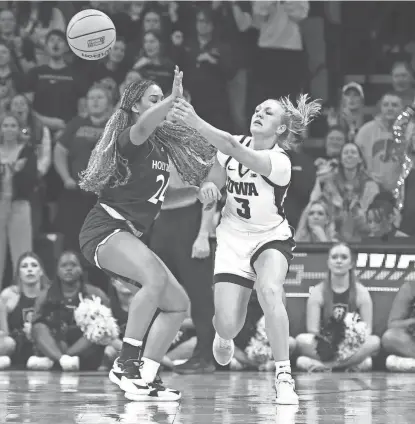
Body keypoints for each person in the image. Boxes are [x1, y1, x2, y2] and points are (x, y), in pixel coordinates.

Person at [171, 93, 321, 405]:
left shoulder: (280, 162)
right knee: (227, 322)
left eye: (268, 112)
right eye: (256, 109)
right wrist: (207, 190)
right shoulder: (229, 150)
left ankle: (283, 376)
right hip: (233, 238)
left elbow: (233, 148)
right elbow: (211, 185)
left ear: (280, 129)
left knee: (269, 291)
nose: (258, 113)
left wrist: (195, 121)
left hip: (270, 237)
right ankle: (223, 335)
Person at [78, 67, 213, 402]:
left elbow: (207, 165)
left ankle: (146, 378)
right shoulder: (132, 136)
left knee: (178, 304)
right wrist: (171, 98)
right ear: (137, 107)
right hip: (105, 227)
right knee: (154, 278)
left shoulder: (163, 147)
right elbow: (142, 125)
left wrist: (207, 185)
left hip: (129, 233)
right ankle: (126, 364)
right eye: (154, 100)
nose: (164, 106)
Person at [295, 243, 380, 372]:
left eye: (344, 257)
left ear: (351, 264)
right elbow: (312, 329)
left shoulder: (361, 292)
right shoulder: (318, 292)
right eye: (334, 257)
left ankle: (328, 366)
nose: (339, 261)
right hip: (326, 345)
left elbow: (368, 329)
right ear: (329, 262)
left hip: (351, 345)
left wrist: (350, 339)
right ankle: (348, 365)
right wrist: (330, 340)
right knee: (300, 340)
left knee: (375, 341)